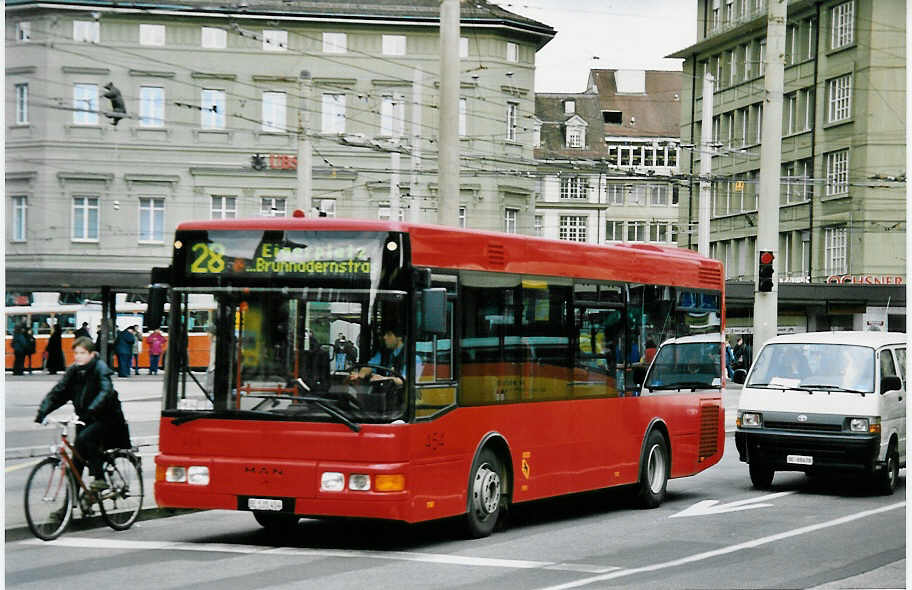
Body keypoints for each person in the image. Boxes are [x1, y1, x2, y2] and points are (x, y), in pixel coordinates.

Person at [34, 337, 132, 497]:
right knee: (76, 463)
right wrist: (42, 413)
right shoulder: (74, 371)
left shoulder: (100, 368)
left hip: (108, 418)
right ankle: (68, 508)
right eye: (76, 353)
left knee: (85, 438)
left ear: (92, 354)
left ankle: (100, 479)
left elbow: (105, 392)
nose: (78, 356)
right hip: (85, 418)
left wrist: (91, 411)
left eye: (82, 353)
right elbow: (58, 392)